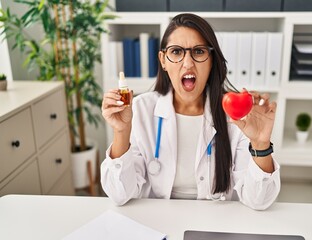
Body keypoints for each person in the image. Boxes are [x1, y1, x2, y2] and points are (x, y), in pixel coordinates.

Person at [101, 13, 280, 210]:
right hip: (158, 222)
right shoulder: (140, 109)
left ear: (212, 60)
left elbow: (259, 201)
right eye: (176, 52)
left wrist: (261, 144)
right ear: (163, 60)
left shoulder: (237, 114)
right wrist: (121, 132)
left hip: (215, 225)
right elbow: (119, 195)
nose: (188, 63)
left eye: (199, 51)